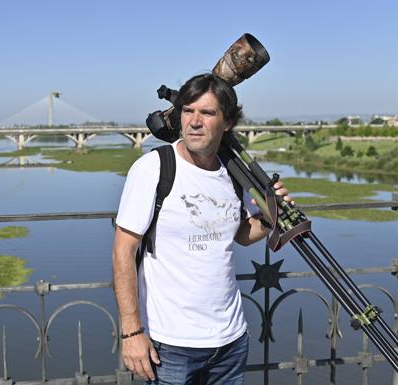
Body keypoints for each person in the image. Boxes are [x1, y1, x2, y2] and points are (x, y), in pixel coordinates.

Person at [112, 73, 292, 385]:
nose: (194, 121)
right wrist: (131, 331)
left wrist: (268, 217)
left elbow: (240, 235)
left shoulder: (233, 174)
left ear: (228, 123)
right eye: (188, 111)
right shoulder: (154, 168)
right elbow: (122, 251)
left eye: (207, 113)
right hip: (170, 345)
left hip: (230, 341)